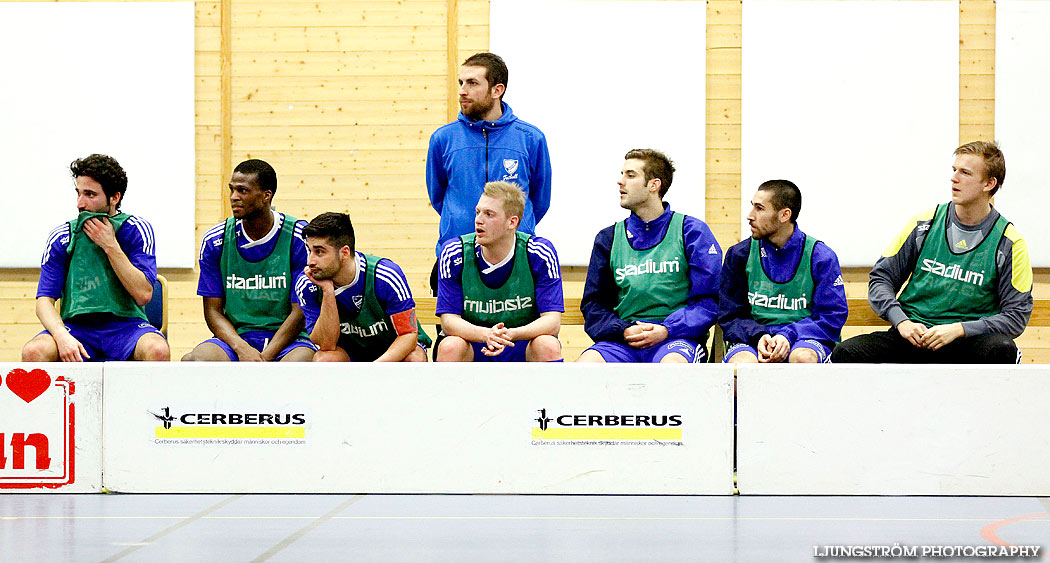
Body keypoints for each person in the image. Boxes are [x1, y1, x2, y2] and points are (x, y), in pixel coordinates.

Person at [832, 141, 1033, 363]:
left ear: (989, 183)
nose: (954, 178)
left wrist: (959, 329)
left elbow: (1016, 317)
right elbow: (881, 278)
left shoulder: (1010, 242)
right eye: (954, 170)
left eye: (965, 173)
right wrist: (902, 322)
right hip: (913, 334)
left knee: (1003, 349)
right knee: (844, 353)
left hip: (968, 340)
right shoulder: (924, 224)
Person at [578, 149, 721, 363]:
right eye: (622, 173)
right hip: (623, 340)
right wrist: (623, 330)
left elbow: (710, 300)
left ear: (654, 185)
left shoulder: (691, 231)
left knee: (672, 368)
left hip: (676, 339)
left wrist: (667, 328)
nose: (620, 181)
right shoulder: (608, 238)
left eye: (630, 175)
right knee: (585, 367)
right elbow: (594, 305)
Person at [22, 154, 169, 362]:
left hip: (127, 326)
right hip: (77, 328)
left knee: (157, 350)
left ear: (114, 198)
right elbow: (44, 301)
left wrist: (110, 245)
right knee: (33, 351)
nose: (80, 204)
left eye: (90, 194)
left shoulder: (136, 229)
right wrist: (61, 335)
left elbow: (144, 294)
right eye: (79, 193)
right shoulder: (63, 236)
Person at [426, 52, 552, 293]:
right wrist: (461, 221)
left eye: (473, 83)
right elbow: (438, 196)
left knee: (519, 332)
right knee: (454, 332)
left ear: (497, 90)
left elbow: (539, 200)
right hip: (456, 262)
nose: (463, 90)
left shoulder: (531, 139)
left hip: (517, 264)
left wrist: (510, 229)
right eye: (461, 83)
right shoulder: (443, 139)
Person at [182, 159, 316, 362]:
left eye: (242, 191)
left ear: (266, 195)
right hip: (236, 339)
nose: (233, 197)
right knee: (197, 358)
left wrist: (265, 356)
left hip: (289, 340)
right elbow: (213, 311)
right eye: (232, 190)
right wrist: (241, 348)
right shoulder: (215, 241)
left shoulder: (298, 238)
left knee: (301, 363)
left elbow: (300, 312)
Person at [718, 180, 847, 363]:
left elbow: (832, 316)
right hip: (753, 338)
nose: (750, 216)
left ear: (784, 215)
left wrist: (788, 335)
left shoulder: (821, 257)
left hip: (804, 339)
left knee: (803, 359)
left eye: (760, 209)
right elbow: (730, 314)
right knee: (743, 365)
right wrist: (758, 335)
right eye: (752, 207)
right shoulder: (739, 255)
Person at [435, 181, 563, 362]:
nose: (479, 220)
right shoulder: (454, 253)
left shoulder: (539, 252)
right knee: (450, 346)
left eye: (489, 214)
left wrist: (511, 334)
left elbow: (552, 322)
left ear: (512, 222)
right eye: (478, 212)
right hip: (476, 341)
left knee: (547, 345)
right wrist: (486, 335)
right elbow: (448, 322)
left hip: (520, 341)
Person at [294, 212, 431, 362]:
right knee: (324, 359)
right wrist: (328, 292)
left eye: (319, 251)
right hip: (351, 353)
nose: (310, 261)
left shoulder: (385, 275)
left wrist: (373, 369)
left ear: (344, 253)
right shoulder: (307, 284)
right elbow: (327, 344)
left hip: (393, 348)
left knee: (414, 358)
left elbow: (408, 335)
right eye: (309, 250)